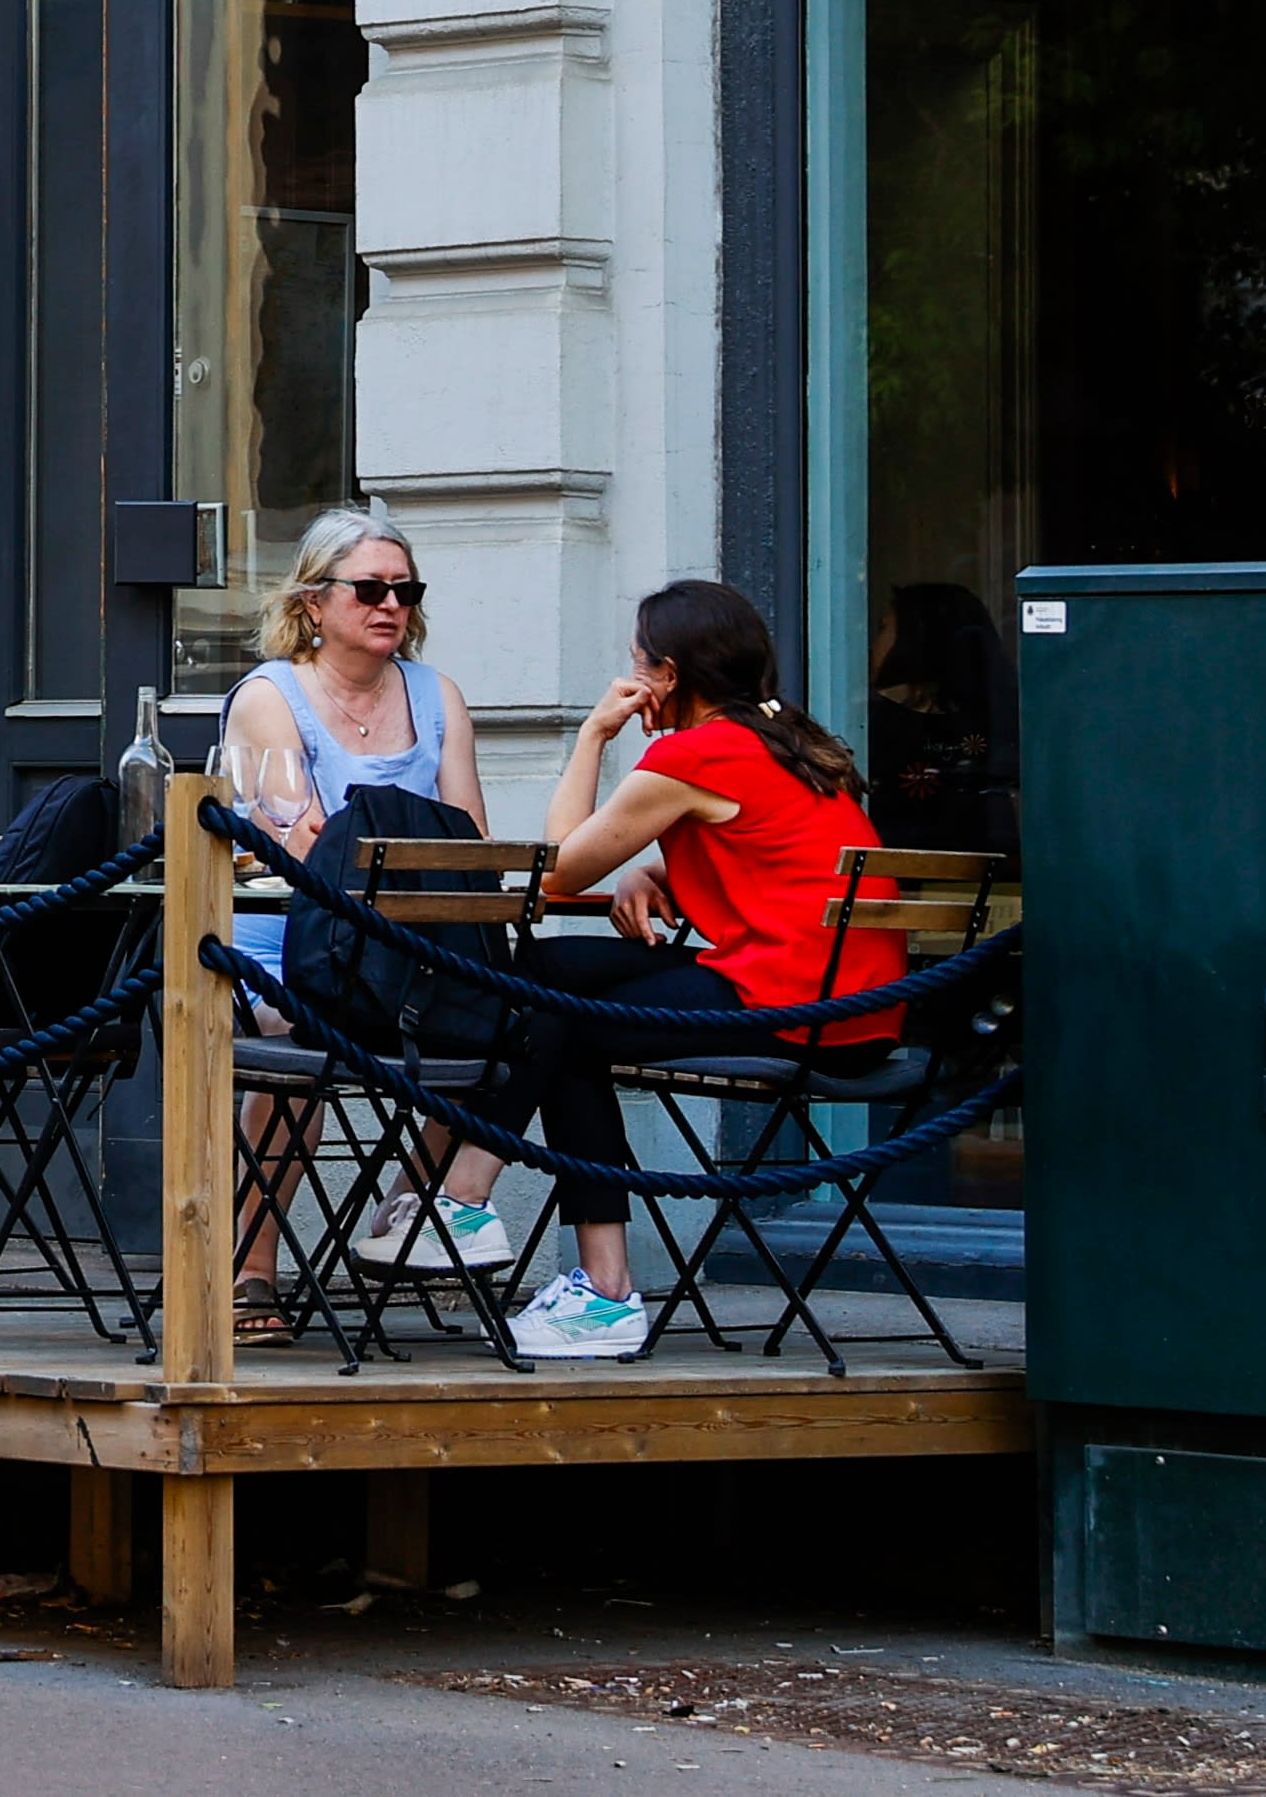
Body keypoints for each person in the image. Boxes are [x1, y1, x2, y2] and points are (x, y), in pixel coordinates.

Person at [377, 579, 901, 1362]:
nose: (629, 681)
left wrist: (591, 734)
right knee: (546, 973)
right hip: (860, 1011)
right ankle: (505, 1228)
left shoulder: (694, 753)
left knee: (548, 1008)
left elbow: (556, 873)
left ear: (669, 673)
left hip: (787, 1006)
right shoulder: (792, 742)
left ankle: (490, 1215)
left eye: (636, 664)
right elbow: (770, 853)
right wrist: (655, 864)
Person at [212, 504, 481, 1331]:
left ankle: (401, 1218)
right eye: (368, 588)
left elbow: (468, 843)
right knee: (306, 1038)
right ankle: (249, 1265)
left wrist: (388, 847)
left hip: (403, 944)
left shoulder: (436, 697)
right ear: (311, 603)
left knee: (508, 1029)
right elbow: (306, 845)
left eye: (404, 590)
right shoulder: (271, 696)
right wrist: (404, 842)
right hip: (286, 942)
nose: (388, 605)